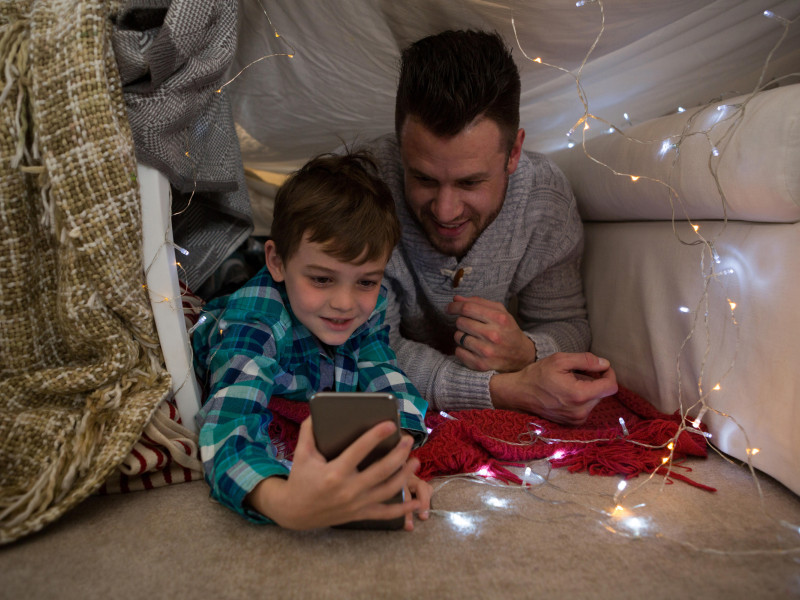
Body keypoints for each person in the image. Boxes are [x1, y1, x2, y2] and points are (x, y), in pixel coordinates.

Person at [363, 29, 618, 425]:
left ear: (513, 153)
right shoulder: (365, 188)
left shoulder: (544, 199)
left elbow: (567, 324)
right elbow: (369, 349)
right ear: (400, 148)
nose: (446, 211)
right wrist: (502, 391)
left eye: (470, 183)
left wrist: (528, 351)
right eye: (424, 179)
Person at [192, 151, 431, 530]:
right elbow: (225, 427)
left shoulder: (365, 312)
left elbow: (386, 376)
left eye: (366, 281)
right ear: (277, 262)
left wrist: (387, 463)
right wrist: (284, 502)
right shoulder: (256, 321)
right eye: (321, 279)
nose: (344, 303)